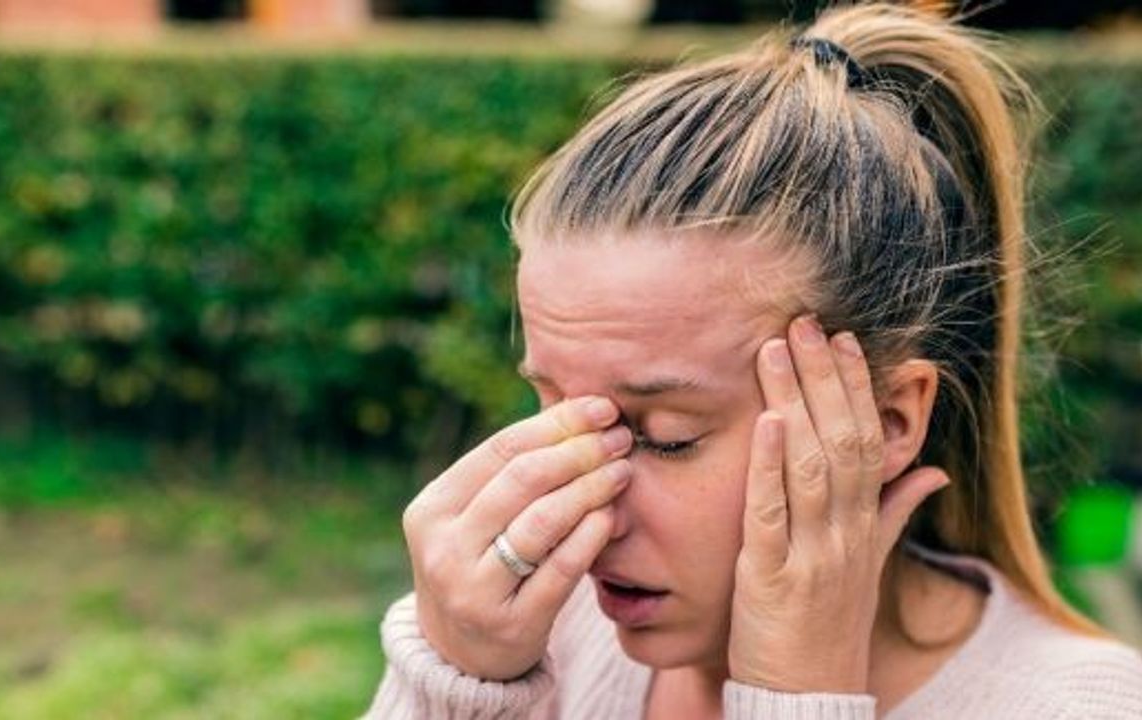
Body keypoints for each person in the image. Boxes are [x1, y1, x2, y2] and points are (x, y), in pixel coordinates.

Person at [364, 2, 1142, 717]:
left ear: (888, 421)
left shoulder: (1071, 705)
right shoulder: (537, 636)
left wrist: (797, 697)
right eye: (556, 412)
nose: (583, 513)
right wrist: (454, 679)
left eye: (666, 433)